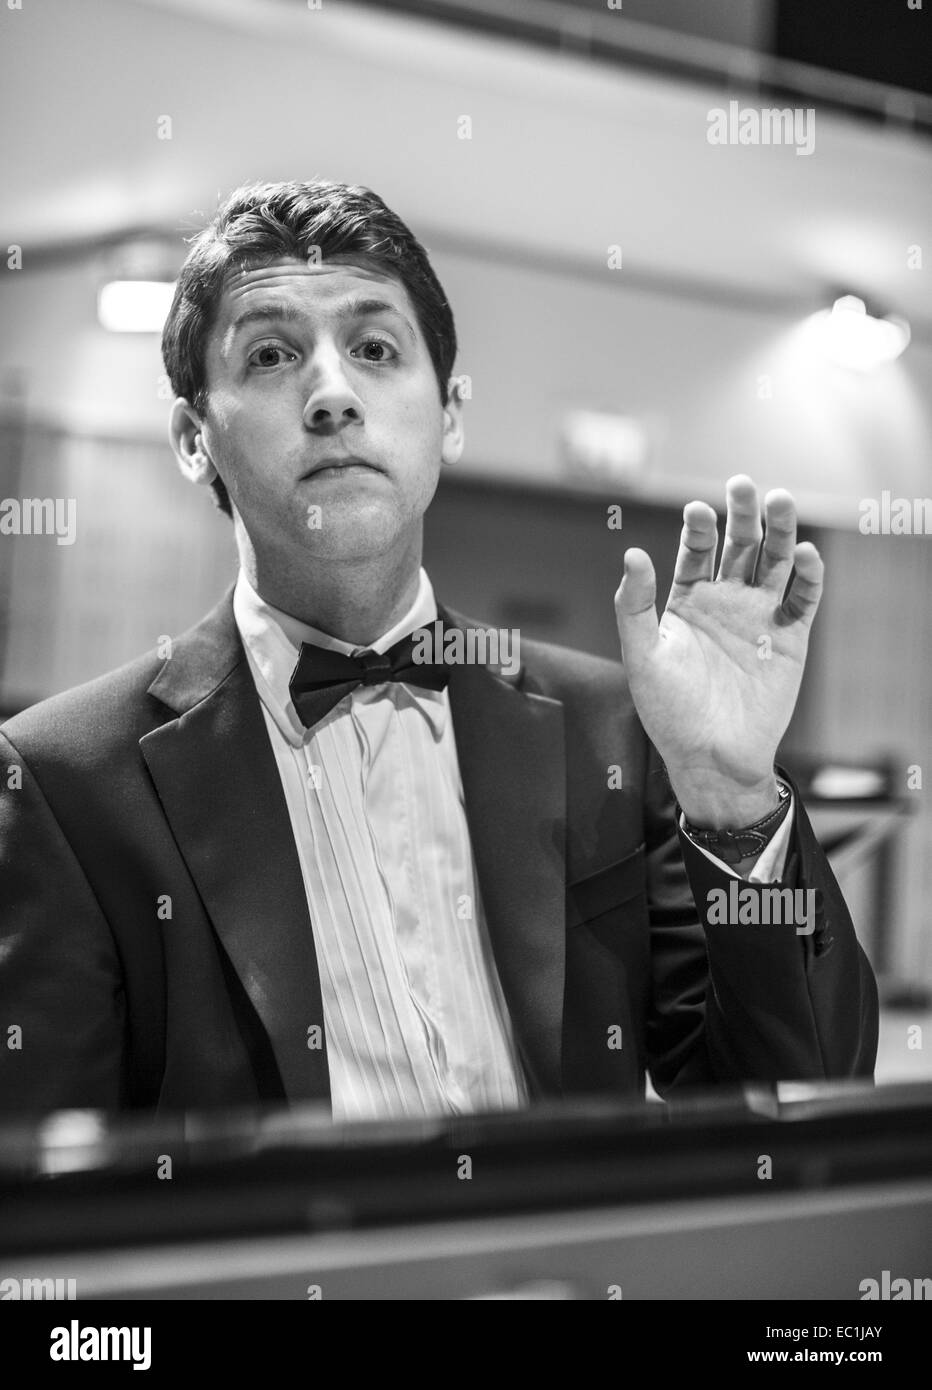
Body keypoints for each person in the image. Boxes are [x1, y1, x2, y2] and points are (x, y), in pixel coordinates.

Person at [0, 180, 877, 1119]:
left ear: (451, 414)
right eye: (270, 354)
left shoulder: (609, 730)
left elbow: (797, 1093)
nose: (333, 393)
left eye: (376, 349)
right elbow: (54, 1197)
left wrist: (735, 800)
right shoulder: (65, 782)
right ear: (192, 436)